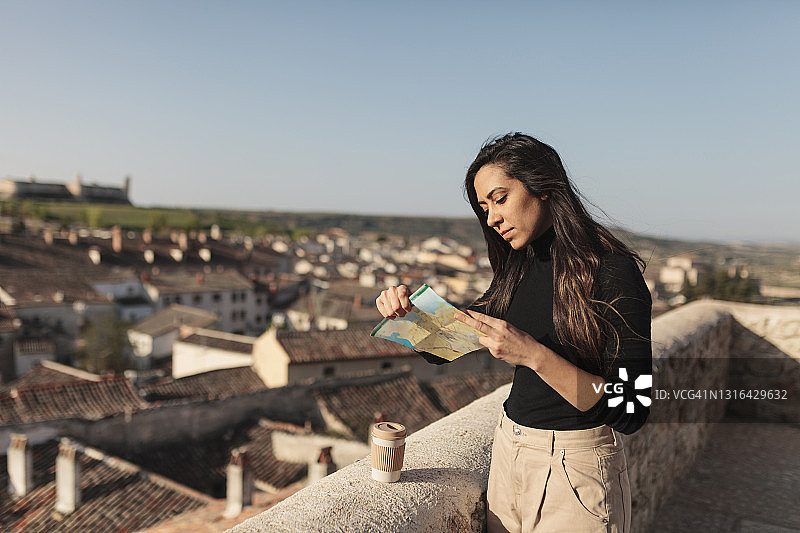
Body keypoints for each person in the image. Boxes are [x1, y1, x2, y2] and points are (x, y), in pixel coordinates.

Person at [375, 133, 651, 533]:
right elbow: (449, 343)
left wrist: (532, 355)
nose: (491, 218)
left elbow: (631, 408)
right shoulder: (518, 269)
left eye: (499, 199)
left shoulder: (613, 272)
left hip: (576, 467)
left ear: (543, 187)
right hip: (508, 450)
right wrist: (406, 314)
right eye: (483, 207)